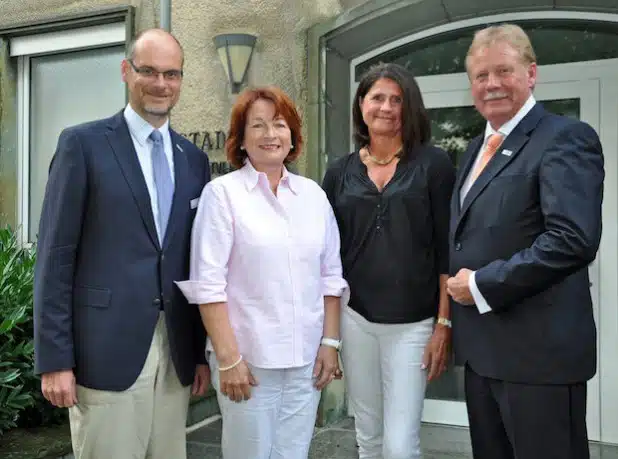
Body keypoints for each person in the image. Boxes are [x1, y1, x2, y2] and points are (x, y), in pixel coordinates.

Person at [33, 29, 211, 459]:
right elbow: (55, 257)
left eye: (171, 74)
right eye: (148, 71)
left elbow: (194, 261)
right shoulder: (83, 145)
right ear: (125, 71)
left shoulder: (194, 159)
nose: (160, 83)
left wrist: (201, 352)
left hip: (175, 356)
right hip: (105, 352)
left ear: (182, 80)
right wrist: (55, 360)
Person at [446, 24, 604, 459]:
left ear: (531, 74)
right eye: (481, 75)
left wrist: (480, 285)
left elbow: (572, 239)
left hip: (539, 360)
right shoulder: (476, 148)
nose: (492, 84)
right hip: (484, 355)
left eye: (504, 71)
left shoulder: (564, 137)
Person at [176, 86, 348, 459]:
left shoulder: (313, 196)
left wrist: (331, 344)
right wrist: (229, 358)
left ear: (292, 136)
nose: (271, 134)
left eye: (280, 125)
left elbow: (330, 277)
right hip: (248, 363)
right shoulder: (222, 195)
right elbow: (208, 286)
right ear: (241, 139)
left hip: (306, 363)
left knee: (293, 454)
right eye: (258, 125)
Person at [322, 62, 455, 459]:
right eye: (377, 97)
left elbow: (449, 249)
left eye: (397, 100)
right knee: (369, 437)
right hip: (356, 318)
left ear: (409, 108)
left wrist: (443, 324)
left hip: (413, 324)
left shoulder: (434, 165)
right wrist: (328, 334)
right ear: (361, 104)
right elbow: (326, 257)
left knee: (400, 446)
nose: (386, 107)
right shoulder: (338, 172)